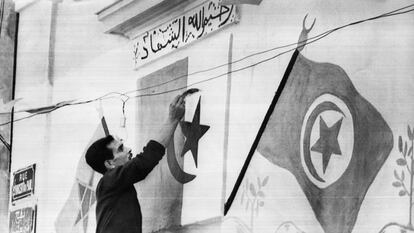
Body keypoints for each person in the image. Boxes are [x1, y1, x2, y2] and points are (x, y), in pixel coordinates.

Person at [85, 93, 186, 233]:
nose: (128, 149)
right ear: (109, 163)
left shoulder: (113, 184)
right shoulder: (110, 180)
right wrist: (172, 119)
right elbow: (145, 161)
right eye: (120, 149)